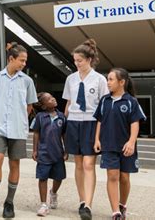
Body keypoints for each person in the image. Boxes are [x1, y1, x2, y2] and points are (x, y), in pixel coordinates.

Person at [0, 42, 38, 220]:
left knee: (14, 164)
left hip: (18, 129)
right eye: (21, 60)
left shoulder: (27, 81)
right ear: (11, 59)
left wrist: (20, 120)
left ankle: (9, 202)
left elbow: (29, 106)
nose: (24, 64)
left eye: (25, 60)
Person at [62, 38, 109, 220]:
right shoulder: (70, 79)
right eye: (75, 60)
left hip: (91, 122)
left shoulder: (99, 80)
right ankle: (82, 200)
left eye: (79, 60)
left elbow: (104, 106)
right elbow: (68, 103)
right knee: (79, 163)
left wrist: (101, 132)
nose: (77, 64)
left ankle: (88, 205)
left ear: (89, 59)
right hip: (73, 122)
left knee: (89, 164)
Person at [93, 68, 146, 220]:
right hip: (108, 145)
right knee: (112, 175)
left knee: (124, 177)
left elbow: (135, 123)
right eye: (107, 79)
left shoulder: (131, 101)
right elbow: (99, 121)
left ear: (121, 82)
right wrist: (97, 139)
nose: (108, 82)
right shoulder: (104, 100)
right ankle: (115, 211)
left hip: (126, 147)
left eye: (111, 79)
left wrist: (131, 142)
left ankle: (122, 204)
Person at [31, 92, 68, 217]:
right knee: (43, 178)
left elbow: (64, 134)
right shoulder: (40, 117)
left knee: (59, 177)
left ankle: (53, 192)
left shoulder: (62, 116)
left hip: (58, 153)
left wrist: (66, 150)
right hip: (44, 153)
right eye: (49, 99)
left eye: (52, 97)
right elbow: (36, 133)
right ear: (44, 106)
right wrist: (35, 150)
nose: (53, 99)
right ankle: (43, 204)